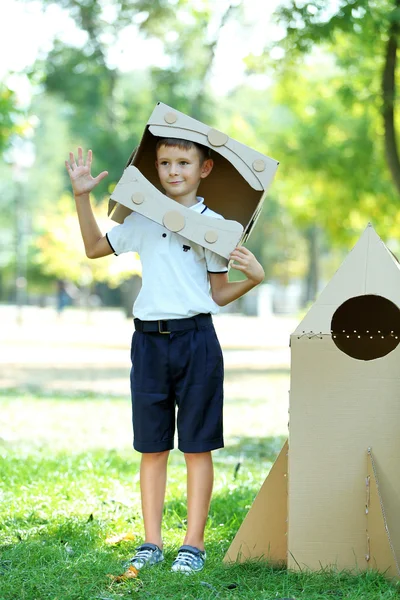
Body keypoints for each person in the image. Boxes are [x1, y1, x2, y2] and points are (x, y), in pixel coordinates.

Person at [65, 140, 265, 574]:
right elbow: (95, 248)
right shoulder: (143, 218)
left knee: (197, 445)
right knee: (152, 447)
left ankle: (193, 545)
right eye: (165, 163)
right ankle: (151, 543)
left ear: (204, 168)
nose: (173, 171)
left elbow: (218, 294)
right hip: (149, 343)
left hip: (197, 341)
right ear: (154, 169)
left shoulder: (218, 228)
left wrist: (253, 279)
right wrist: (82, 198)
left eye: (183, 162)